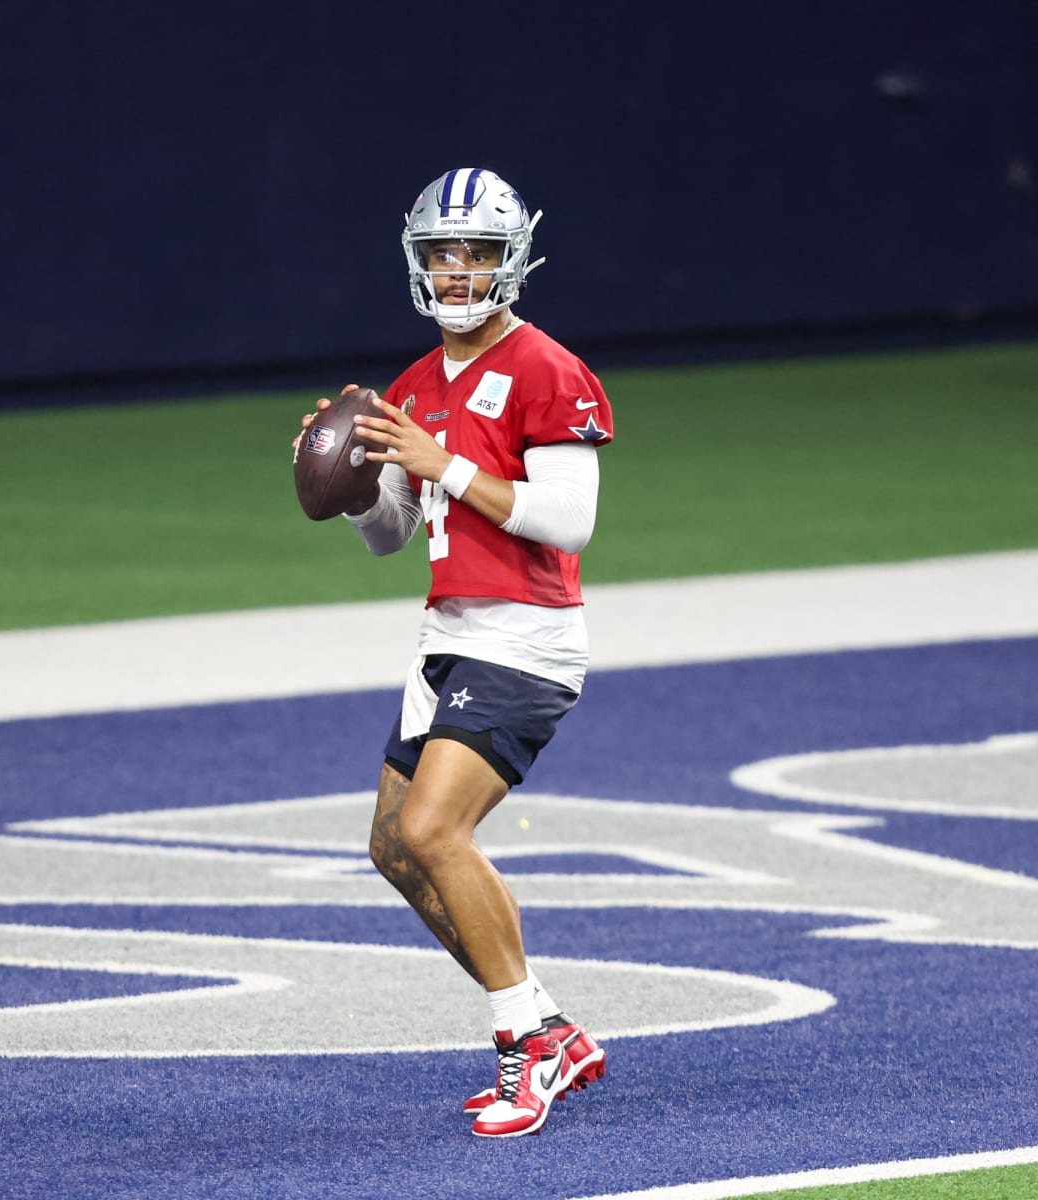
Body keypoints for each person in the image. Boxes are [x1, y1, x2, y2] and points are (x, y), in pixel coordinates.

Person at [296, 167, 614, 1138]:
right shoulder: (413, 387)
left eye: (476, 251)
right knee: (394, 847)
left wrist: (449, 464)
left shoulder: (550, 369)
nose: (459, 268)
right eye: (444, 251)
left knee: (436, 832)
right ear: (417, 259)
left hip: (525, 638)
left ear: (513, 259)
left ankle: (524, 1043)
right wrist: (351, 483)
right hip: (447, 637)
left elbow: (571, 522)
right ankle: (549, 1026)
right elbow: (394, 533)